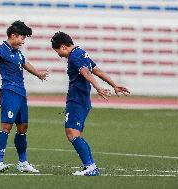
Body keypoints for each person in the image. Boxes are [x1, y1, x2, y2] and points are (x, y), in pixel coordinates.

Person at [51, 31, 130, 176]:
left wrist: (98, 87)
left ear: (62, 47)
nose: (58, 55)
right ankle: (89, 166)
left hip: (77, 99)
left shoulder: (74, 56)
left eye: (57, 51)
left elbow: (87, 73)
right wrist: (114, 84)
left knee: (71, 133)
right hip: (82, 99)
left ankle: (91, 167)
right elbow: (97, 70)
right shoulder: (81, 52)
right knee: (74, 133)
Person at [0, 21, 48, 173]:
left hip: (21, 93)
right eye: (22, 37)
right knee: (6, 126)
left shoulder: (17, 52)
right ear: (13, 35)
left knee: (23, 128)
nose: (23, 41)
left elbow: (25, 63)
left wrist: (39, 74)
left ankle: (22, 163)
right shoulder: (1, 49)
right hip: (9, 91)